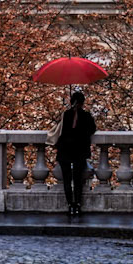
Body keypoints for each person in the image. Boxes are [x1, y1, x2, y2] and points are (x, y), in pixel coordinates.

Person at [49, 87, 97, 217]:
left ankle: (70, 204)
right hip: (79, 151)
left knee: (66, 179)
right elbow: (92, 130)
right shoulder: (86, 116)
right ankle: (77, 205)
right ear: (82, 103)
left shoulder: (66, 115)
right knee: (77, 179)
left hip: (65, 150)